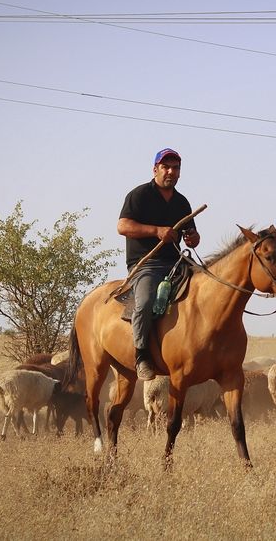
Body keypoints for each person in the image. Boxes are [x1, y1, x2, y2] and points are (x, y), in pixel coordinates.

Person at [117, 148, 200, 380]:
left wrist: (193, 238)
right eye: (166, 167)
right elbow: (122, 226)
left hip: (177, 263)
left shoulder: (181, 202)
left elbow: (191, 234)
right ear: (155, 170)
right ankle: (141, 354)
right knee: (143, 303)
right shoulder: (139, 195)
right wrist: (156, 231)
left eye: (175, 168)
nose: (171, 172)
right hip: (146, 264)